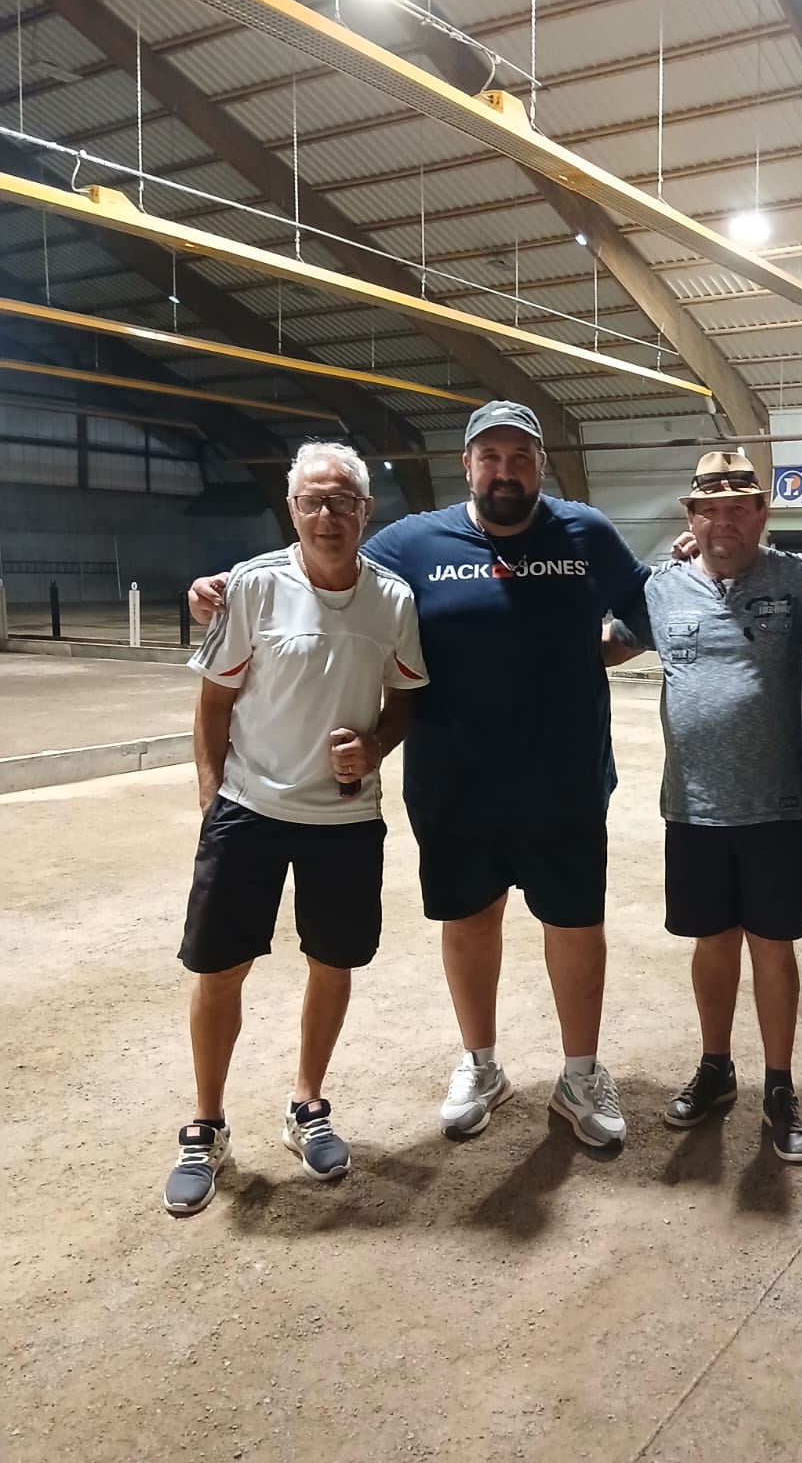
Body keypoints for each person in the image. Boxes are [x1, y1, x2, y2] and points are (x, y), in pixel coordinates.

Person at [189, 401, 649, 1151]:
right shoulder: (413, 541)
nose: (505, 471)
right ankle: (481, 1064)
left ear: (540, 465)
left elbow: (646, 609)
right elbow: (321, 553)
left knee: (575, 925)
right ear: (468, 465)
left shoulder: (585, 533)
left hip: (563, 776)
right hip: (453, 780)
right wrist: (219, 584)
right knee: (469, 922)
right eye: (490, 457)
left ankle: (580, 1071)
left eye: (520, 457)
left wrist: (596, 654)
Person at [164, 441, 427, 1217]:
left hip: (343, 819)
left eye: (342, 500)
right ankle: (206, 1124)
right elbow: (214, 700)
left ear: (366, 510)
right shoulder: (250, 587)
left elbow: (405, 697)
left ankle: (307, 1104)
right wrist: (214, 801)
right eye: (312, 500)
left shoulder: (394, 601)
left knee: (332, 960)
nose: (327, 514)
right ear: (291, 510)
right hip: (248, 809)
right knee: (218, 968)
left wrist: (374, 745)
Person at [602, 453, 802, 1163]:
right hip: (692, 806)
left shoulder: (797, 579)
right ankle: (716, 1066)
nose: (724, 520)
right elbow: (604, 647)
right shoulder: (661, 590)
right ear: (689, 519)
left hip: (778, 803)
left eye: (740, 507)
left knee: (773, 947)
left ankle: (780, 1084)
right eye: (708, 509)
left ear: (762, 513)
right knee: (712, 944)